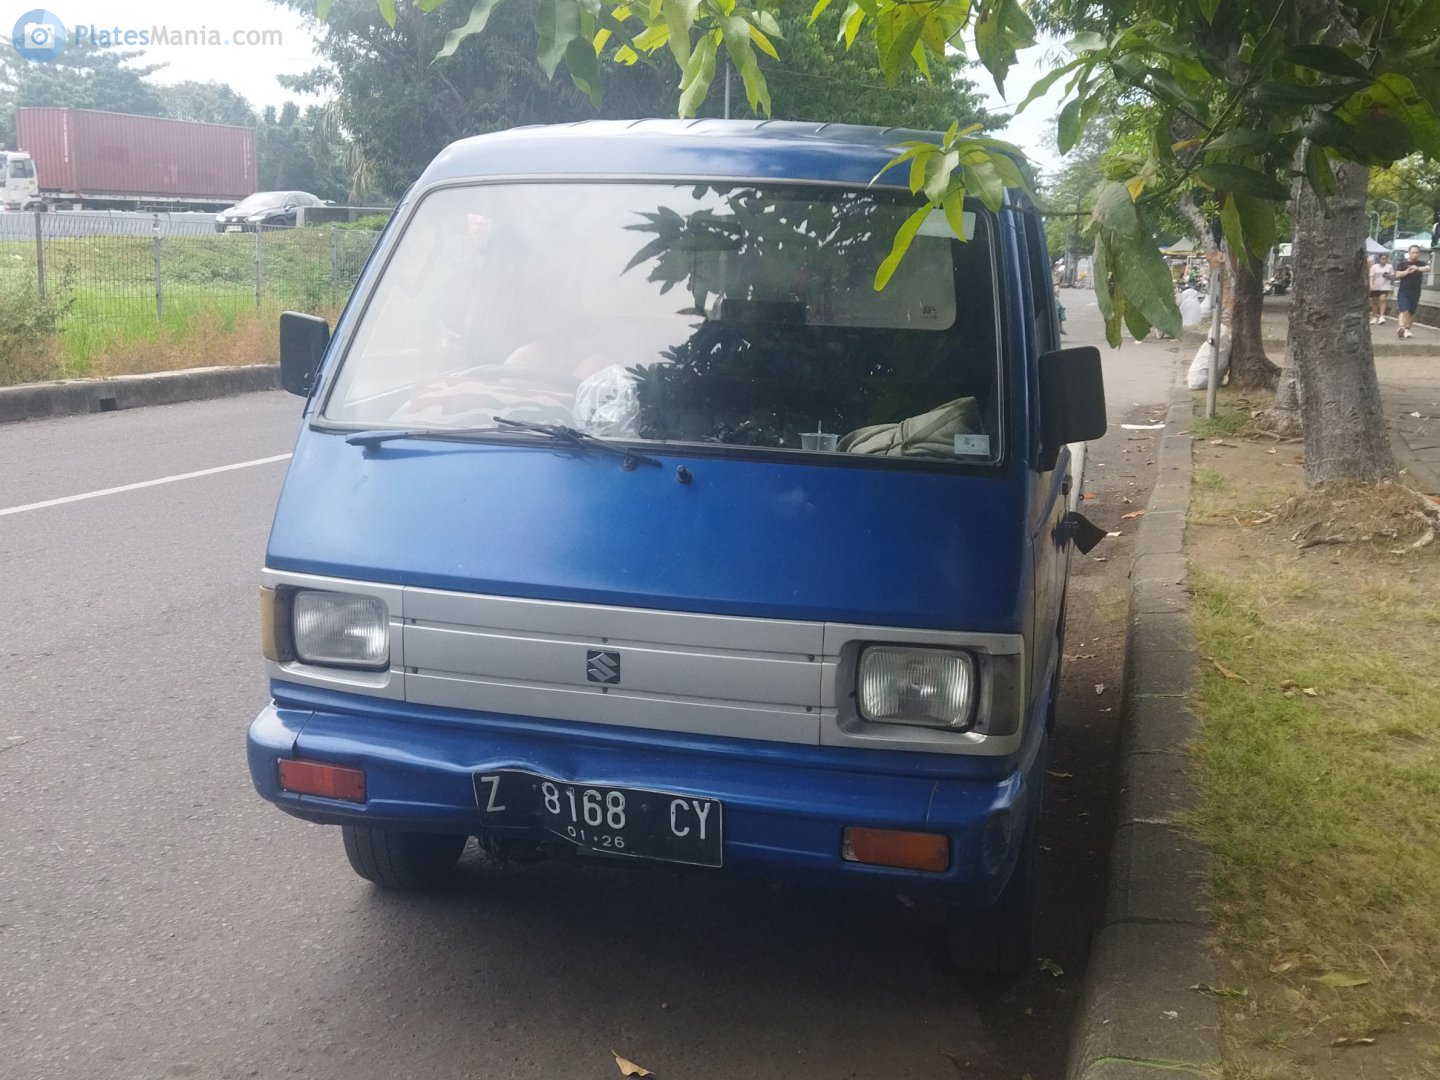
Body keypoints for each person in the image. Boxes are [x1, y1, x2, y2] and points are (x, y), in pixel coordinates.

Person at [1393, 244, 1431, 339]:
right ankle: (1401, 327)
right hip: (1404, 291)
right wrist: (1407, 271)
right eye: (1413, 252)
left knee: (1411, 311)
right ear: (1409, 253)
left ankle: (1407, 329)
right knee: (1404, 309)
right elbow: (1397, 274)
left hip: (1415, 291)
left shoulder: (1421, 263)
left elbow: (1428, 268)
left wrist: (1417, 268)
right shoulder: (1402, 263)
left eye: (1417, 252)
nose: (1415, 254)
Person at [1369, 253, 1393, 324]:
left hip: (1384, 286)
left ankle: (1381, 316)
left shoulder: (1389, 266)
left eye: (1385, 259)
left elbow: (1392, 276)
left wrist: (1388, 276)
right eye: (1382, 259)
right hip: (1376, 286)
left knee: (1383, 299)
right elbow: (1371, 276)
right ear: (1379, 259)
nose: (1384, 260)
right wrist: (1371, 285)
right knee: (1375, 302)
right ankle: (1374, 316)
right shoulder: (1374, 267)